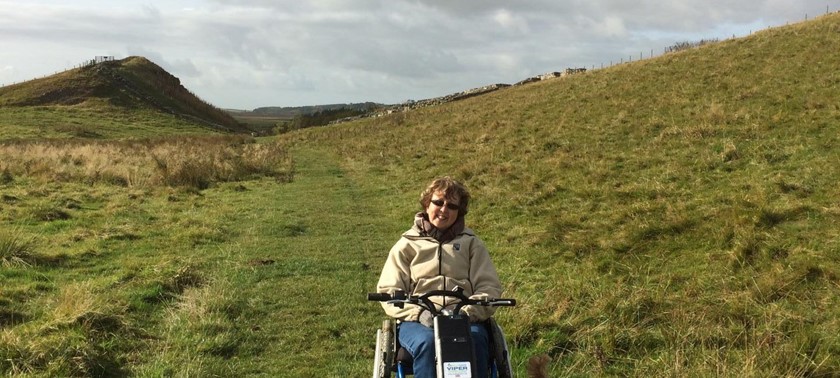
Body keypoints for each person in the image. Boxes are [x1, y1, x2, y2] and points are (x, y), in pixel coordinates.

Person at [376, 176, 503, 378]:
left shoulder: (472, 244)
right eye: (438, 202)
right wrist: (418, 313)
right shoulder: (407, 244)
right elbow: (389, 290)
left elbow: (488, 287)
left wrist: (468, 312)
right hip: (418, 320)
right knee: (427, 344)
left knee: (474, 342)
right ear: (427, 204)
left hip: (463, 317)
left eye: (452, 206)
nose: (444, 210)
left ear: (459, 212)